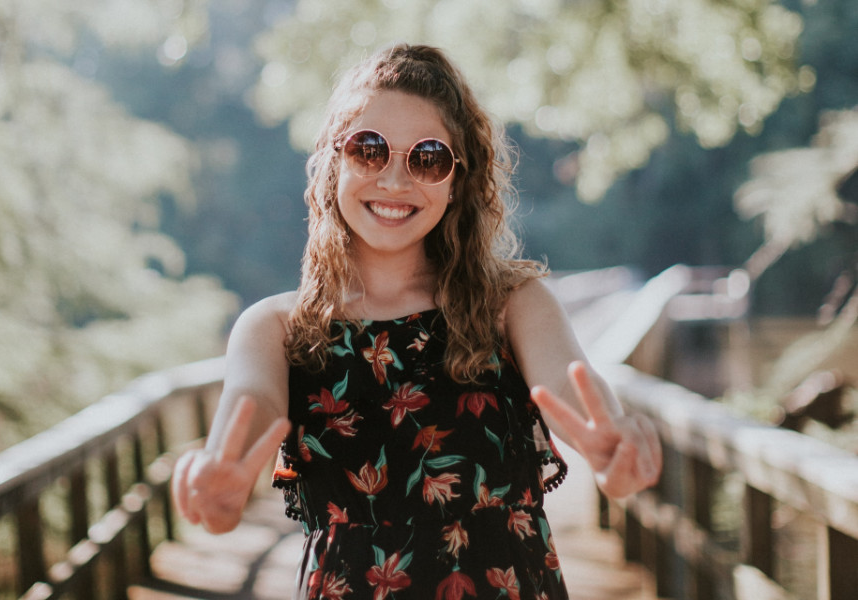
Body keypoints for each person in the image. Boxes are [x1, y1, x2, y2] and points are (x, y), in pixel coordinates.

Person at [173, 44, 662, 600]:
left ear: (457, 179)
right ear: (334, 161)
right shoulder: (276, 329)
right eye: (369, 149)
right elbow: (249, 413)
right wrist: (220, 487)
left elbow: (573, 389)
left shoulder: (515, 304)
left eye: (426, 158)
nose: (395, 180)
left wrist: (613, 452)